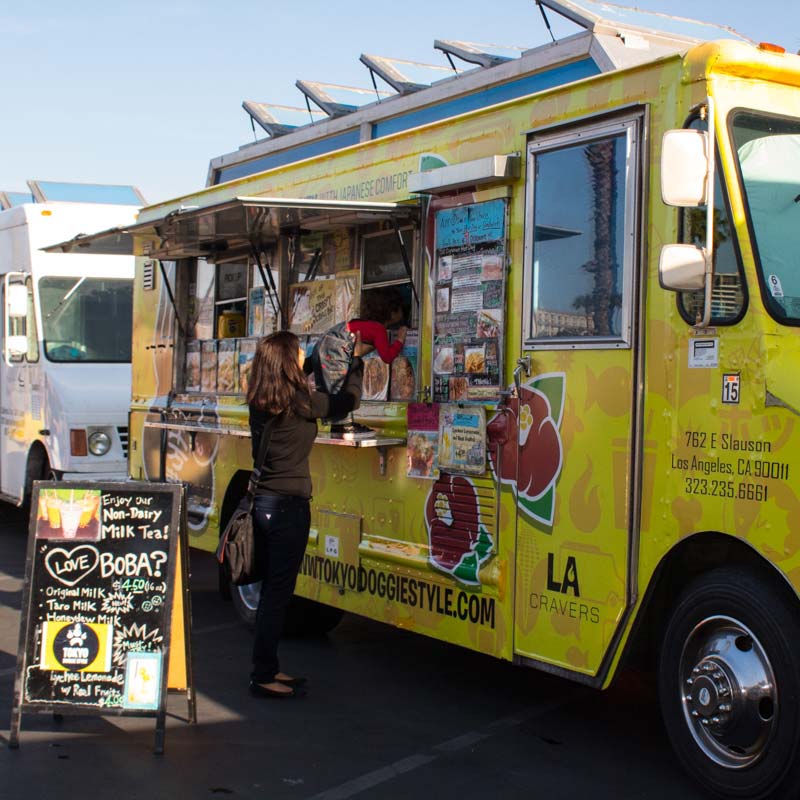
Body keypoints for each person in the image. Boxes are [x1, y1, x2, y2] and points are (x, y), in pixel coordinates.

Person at [246, 330, 365, 698]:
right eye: (298, 352)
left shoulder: (264, 397)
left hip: (265, 503)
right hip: (287, 508)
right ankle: (263, 675)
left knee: (272, 592)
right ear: (286, 361)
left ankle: (267, 668)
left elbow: (305, 372)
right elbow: (346, 402)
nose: (303, 357)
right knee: (278, 594)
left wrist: (323, 355)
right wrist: (356, 360)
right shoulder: (300, 402)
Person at [308, 288, 407, 436]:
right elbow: (386, 357)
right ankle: (343, 426)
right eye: (401, 310)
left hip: (326, 343)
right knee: (341, 388)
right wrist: (400, 340)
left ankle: (337, 425)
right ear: (392, 312)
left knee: (331, 387)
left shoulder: (363, 323)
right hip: (336, 347)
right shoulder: (378, 328)